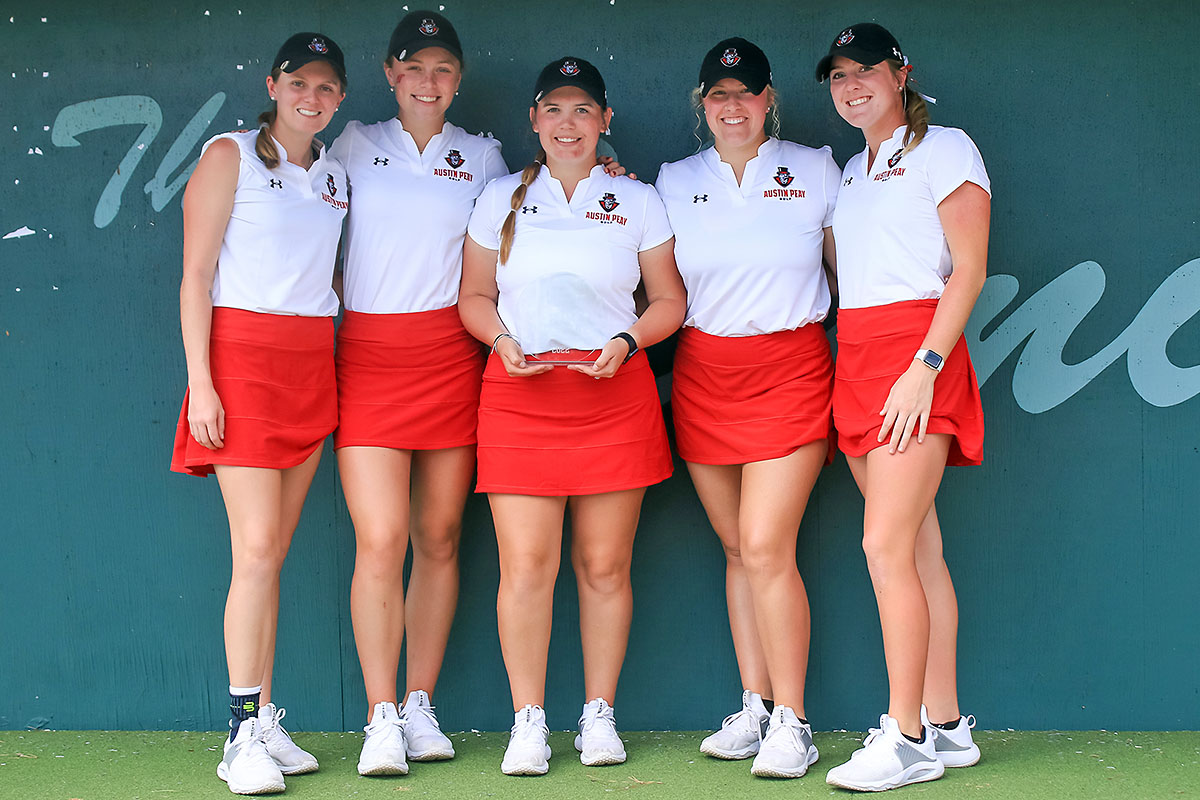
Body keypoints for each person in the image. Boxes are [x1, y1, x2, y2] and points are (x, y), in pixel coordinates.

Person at [458, 56, 685, 776]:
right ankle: (530, 721)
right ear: (534, 121)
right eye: (554, 109)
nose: (568, 123)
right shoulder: (499, 196)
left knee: (604, 565)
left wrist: (628, 340)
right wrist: (501, 340)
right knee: (526, 566)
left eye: (583, 110)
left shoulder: (639, 199)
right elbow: (472, 297)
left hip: (612, 391)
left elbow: (670, 302)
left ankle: (597, 716)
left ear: (604, 121)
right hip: (520, 392)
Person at [327, 11, 507, 777]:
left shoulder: (486, 155)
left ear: (456, 80)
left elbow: (518, 229)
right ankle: (378, 716)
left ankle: (419, 704)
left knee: (438, 536)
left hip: (451, 355)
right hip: (368, 355)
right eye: (413, 67)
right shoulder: (351, 145)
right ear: (391, 74)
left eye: (441, 69)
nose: (427, 81)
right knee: (381, 537)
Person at [654, 37, 839, 780]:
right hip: (704, 373)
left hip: (792, 369)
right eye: (720, 94)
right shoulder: (671, 180)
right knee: (737, 549)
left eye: (748, 93)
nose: (734, 106)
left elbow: (847, 275)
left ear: (770, 101)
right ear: (703, 104)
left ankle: (794, 722)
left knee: (766, 545)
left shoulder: (819, 168)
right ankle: (756, 705)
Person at [170, 32, 348, 795]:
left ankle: (266, 715)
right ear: (273, 83)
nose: (311, 98)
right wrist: (202, 383)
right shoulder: (228, 155)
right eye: (299, 83)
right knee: (254, 550)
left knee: (273, 554)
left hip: (312, 363)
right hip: (240, 362)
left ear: (340, 99)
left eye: (327, 88)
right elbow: (196, 276)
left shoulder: (337, 174)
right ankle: (240, 733)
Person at [814, 23, 990, 792]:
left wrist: (924, 365)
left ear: (900, 73)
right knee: (917, 551)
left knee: (884, 548)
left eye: (866, 72)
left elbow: (970, 270)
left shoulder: (945, 147)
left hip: (915, 357)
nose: (852, 86)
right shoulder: (853, 169)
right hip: (855, 357)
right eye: (839, 76)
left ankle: (907, 735)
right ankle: (948, 726)